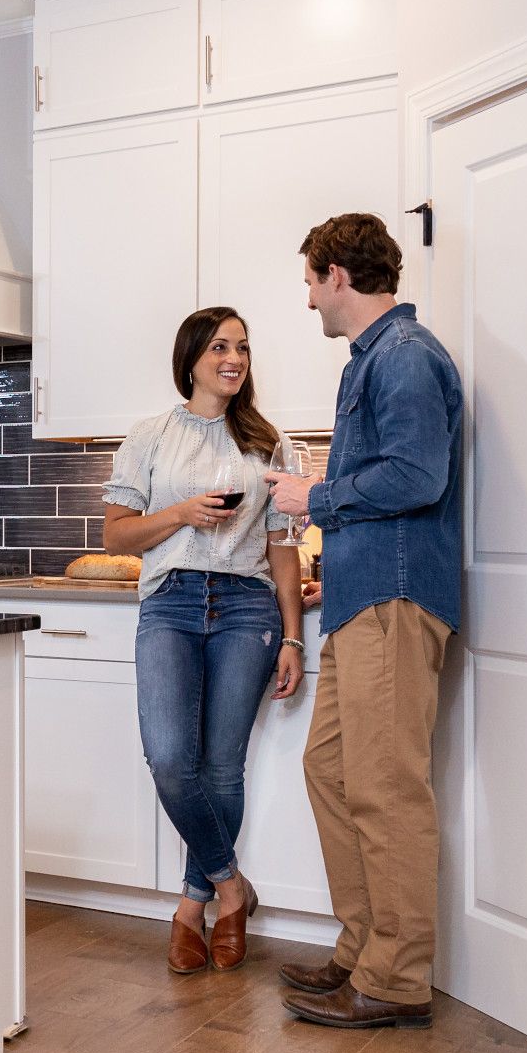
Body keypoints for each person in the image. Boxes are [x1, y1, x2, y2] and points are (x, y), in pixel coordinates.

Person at [265, 212, 463, 1030]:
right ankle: (363, 948)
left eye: (311, 280)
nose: (308, 298)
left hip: (394, 598)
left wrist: (313, 498)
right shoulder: (374, 360)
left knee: (384, 788)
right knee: (332, 769)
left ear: (339, 276)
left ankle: (395, 978)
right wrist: (329, 570)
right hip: (359, 596)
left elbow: (417, 474)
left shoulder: (406, 358)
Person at [104, 307, 306, 975]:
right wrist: (182, 514)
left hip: (247, 607)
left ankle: (191, 911)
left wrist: (294, 639)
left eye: (243, 346)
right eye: (220, 345)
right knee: (169, 757)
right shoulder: (150, 436)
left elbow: (281, 549)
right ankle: (229, 886)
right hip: (172, 602)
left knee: (222, 768)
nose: (235, 357)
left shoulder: (263, 440)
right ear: (191, 357)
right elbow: (116, 536)